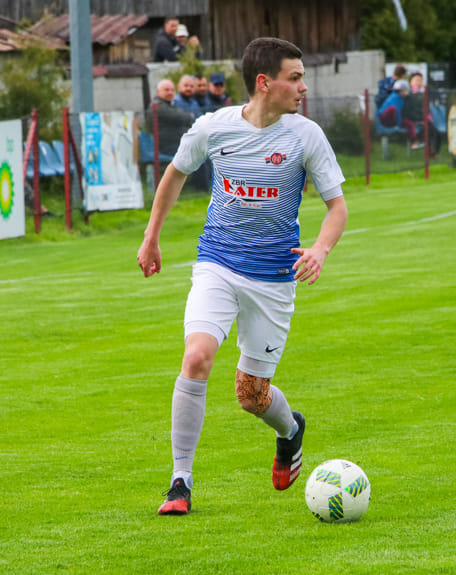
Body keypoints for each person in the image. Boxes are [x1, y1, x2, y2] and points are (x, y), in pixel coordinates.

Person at [137, 37, 349, 516]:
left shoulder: (305, 135)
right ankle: (180, 482)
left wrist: (319, 247)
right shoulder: (213, 128)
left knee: (251, 396)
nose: (303, 86)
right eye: (294, 77)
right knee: (196, 358)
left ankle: (290, 429)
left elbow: (337, 207)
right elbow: (174, 174)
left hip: (274, 278)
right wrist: (151, 238)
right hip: (218, 264)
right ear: (264, 82)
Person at [148, 79, 195, 161]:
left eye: (172, 90)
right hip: (166, 147)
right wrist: (188, 116)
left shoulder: (170, 104)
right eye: (166, 90)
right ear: (158, 92)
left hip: (177, 144)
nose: (170, 92)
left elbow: (183, 117)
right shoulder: (157, 106)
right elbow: (180, 117)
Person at [378, 79, 421, 149]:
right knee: (392, 109)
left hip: (394, 120)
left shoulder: (400, 99)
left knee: (410, 124)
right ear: (401, 90)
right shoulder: (395, 98)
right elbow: (396, 111)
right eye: (406, 90)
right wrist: (398, 124)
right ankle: (413, 141)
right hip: (385, 119)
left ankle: (414, 142)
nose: (407, 91)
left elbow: (399, 113)